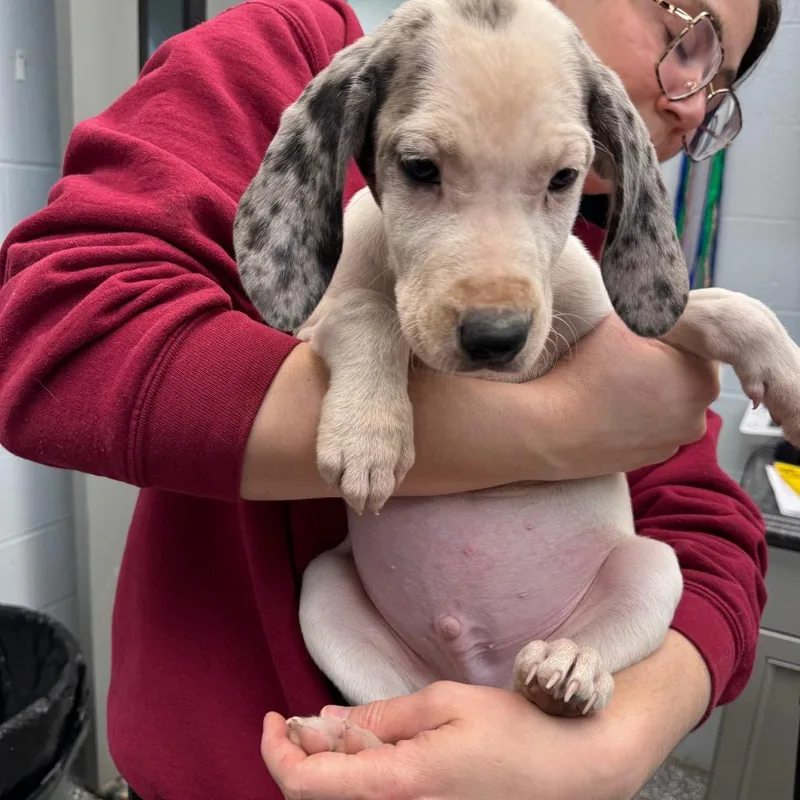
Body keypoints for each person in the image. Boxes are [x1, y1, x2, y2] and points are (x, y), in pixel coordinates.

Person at [0, 0, 780, 797]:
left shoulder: (586, 255)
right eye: (690, 35)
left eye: (721, 82)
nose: (691, 97)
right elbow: (55, 340)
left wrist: (613, 747)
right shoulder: (295, 51)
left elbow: (707, 536)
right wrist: (560, 423)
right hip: (242, 765)